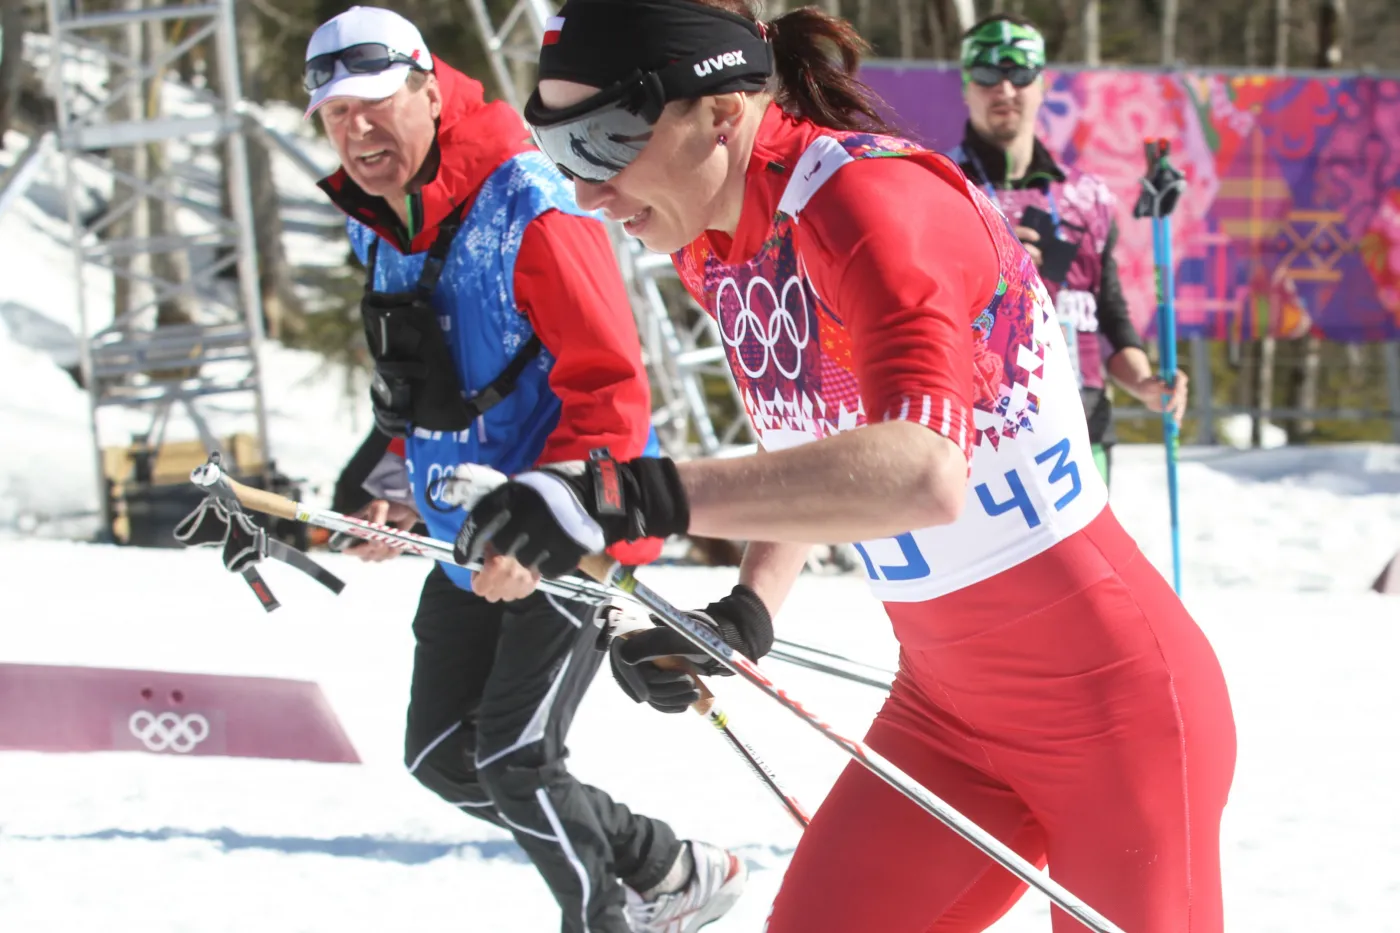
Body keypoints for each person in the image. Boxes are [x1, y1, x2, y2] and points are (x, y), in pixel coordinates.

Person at [455, 2, 1238, 932]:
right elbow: (811, 449)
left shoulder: (870, 203)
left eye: (605, 139)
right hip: (948, 714)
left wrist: (627, 494)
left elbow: (921, 471)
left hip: (1116, 714)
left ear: (720, 111)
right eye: (559, 148)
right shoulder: (714, 244)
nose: (586, 190)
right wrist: (746, 612)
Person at [303, 7, 745, 932]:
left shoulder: (532, 203)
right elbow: (423, 379)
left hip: (564, 522)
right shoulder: (380, 219)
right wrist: (386, 484)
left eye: (378, 104)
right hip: (465, 526)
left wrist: (558, 529)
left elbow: (616, 394)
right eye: (338, 113)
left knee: (515, 756)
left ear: (430, 89)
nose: (359, 130)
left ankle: (609, 917)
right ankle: (667, 867)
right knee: (439, 754)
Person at [951, 14, 1187, 486]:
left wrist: (1144, 382)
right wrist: (996, 270)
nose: (1005, 89)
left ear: (1041, 85)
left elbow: (1108, 312)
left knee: (1096, 565)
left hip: (1082, 427)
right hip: (980, 434)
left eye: (1020, 75)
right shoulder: (941, 187)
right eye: (986, 75)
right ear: (966, 86)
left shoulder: (1087, 197)